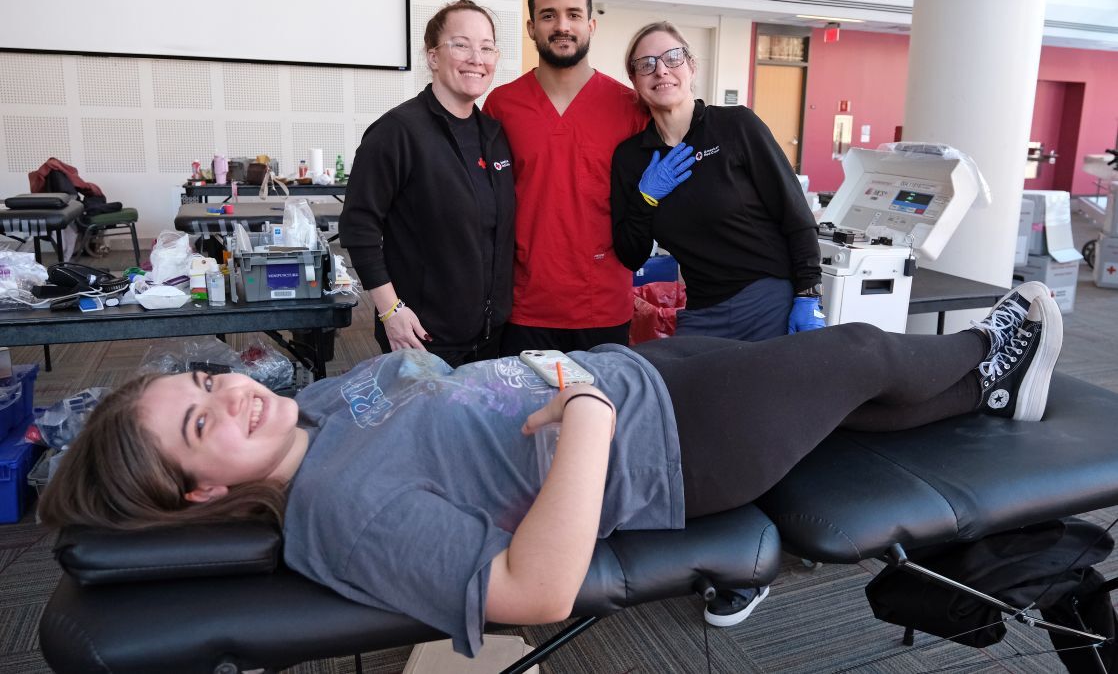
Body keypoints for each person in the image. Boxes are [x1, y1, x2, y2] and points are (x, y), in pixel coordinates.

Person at [39, 282, 1062, 657]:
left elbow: (435, 391)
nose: (231, 396)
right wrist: (583, 414)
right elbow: (536, 588)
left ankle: (986, 395)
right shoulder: (339, 513)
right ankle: (987, 353)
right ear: (202, 492)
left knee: (840, 407)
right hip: (667, 444)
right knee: (856, 354)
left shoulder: (309, 408)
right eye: (201, 426)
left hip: (634, 377)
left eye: (209, 383)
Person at [612, 21, 825, 342]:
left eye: (673, 57)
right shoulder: (632, 158)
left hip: (766, 299)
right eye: (646, 64)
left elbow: (795, 214)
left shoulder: (735, 127)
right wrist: (645, 198)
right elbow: (631, 255)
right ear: (634, 80)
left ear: (691, 66)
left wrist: (809, 294)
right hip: (700, 312)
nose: (661, 71)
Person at [339, 0, 515, 367]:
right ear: (433, 57)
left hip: (490, 335)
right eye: (461, 44)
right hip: (422, 336)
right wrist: (390, 311)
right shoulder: (398, 132)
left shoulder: (494, 135)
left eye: (486, 48)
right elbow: (358, 226)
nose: (476, 58)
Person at [483, 0, 648, 355]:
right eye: (548, 15)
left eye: (574, 15)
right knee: (522, 416)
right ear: (531, 27)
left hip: (603, 305)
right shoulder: (501, 106)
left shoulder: (630, 108)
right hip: (524, 306)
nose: (562, 26)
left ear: (591, 24)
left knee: (599, 414)